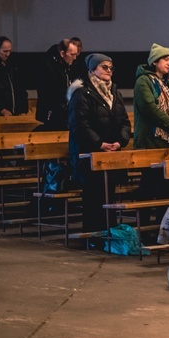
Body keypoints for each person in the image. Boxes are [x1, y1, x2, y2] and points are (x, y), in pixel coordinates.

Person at [67, 54, 131, 232]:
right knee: (93, 197)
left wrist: (120, 141)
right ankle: (93, 235)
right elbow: (80, 125)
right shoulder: (81, 94)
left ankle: (109, 232)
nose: (109, 71)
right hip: (89, 155)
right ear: (92, 70)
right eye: (104, 67)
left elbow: (124, 122)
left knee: (109, 195)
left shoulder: (114, 92)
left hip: (111, 155)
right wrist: (100, 144)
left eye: (111, 67)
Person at [134, 43, 169, 203]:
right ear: (155, 61)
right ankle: (143, 225)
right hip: (151, 141)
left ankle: (162, 225)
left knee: (166, 188)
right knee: (149, 187)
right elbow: (149, 108)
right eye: (165, 59)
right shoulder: (143, 81)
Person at [36, 39, 79, 130]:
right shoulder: (47, 67)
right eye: (72, 54)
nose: (75, 58)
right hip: (52, 113)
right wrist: (64, 108)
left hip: (65, 112)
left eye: (76, 54)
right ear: (62, 53)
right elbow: (48, 94)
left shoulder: (68, 66)